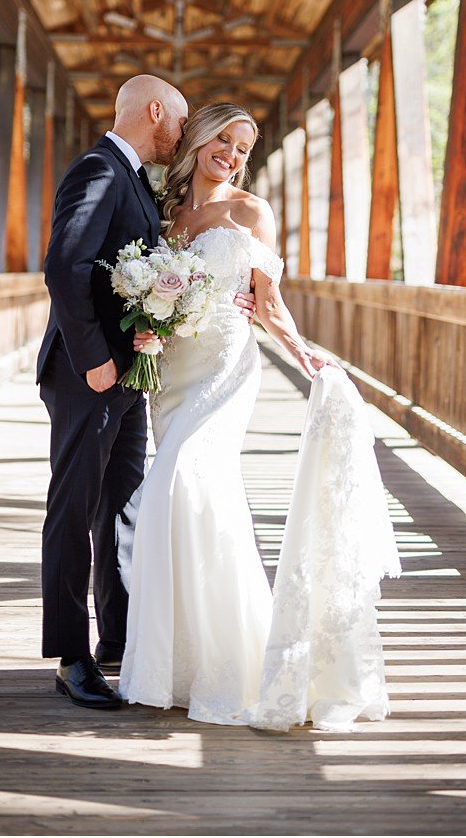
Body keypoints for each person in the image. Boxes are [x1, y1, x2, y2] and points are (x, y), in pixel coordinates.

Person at [115, 101, 364, 726]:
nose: (231, 154)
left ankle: (234, 661)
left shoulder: (251, 212)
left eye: (244, 148)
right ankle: (179, 664)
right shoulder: (161, 211)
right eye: (223, 139)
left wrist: (304, 354)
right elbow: (138, 287)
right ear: (199, 139)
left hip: (226, 364)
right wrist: (142, 331)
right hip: (169, 371)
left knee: (182, 477)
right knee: (186, 499)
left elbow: (268, 300)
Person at [38, 74, 258, 708]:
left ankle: (119, 638)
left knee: (124, 506)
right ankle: (71, 657)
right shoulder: (99, 169)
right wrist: (95, 361)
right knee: (75, 508)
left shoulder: (139, 181)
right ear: (155, 112)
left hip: (132, 373)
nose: (182, 137)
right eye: (181, 122)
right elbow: (65, 266)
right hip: (92, 375)